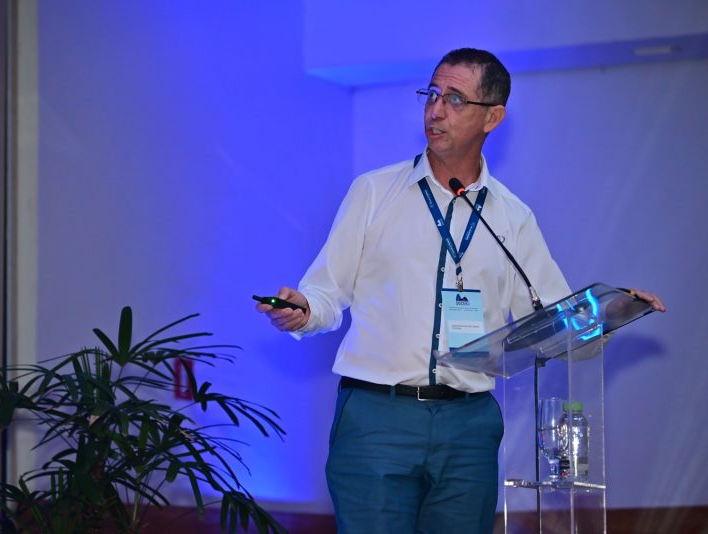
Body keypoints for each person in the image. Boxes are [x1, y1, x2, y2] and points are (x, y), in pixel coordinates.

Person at [256, 48, 666, 533]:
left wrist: (609, 315)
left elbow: (553, 322)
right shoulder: (373, 192)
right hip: (377, 418)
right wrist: (305, 310)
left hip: (468, 427)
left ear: (493, 117)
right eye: (431, 94)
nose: (435, 110)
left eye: (454, 99)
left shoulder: (513, 217)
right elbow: (326, 292)